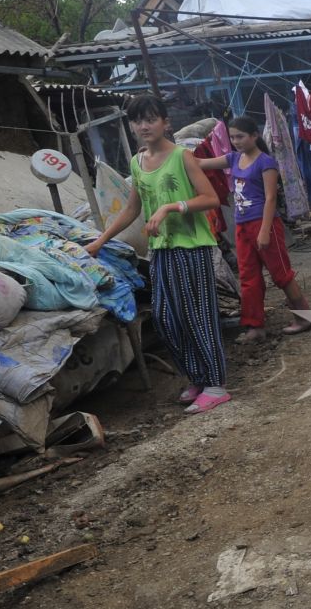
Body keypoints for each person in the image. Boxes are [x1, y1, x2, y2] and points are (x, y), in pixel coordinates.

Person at [84, 95, 232, 414]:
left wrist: (170, 207)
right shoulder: (137, 163)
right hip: (161, 251)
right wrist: (101, 240)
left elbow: (211, 198)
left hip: (192, 248)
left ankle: (216, 384)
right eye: (137, 120)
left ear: (166, 122)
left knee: (199, 317)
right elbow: (132, 208)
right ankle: (197, 376)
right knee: (166, 318)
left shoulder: (183, 157)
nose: (143, 126)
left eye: (151, 119)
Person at [195, 114, 311, 344]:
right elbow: (199, 163)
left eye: (240, 136)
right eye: (232, 137)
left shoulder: (265, 162)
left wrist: (264, 230)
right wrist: (165, 151)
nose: (236, 141)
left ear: (254, 136)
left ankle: (304, 316)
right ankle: (255, 326)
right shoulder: (233, 159)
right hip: (242, 227)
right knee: (249, 277)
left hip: (265, 224)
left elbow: (271, 199)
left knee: (280, 273)